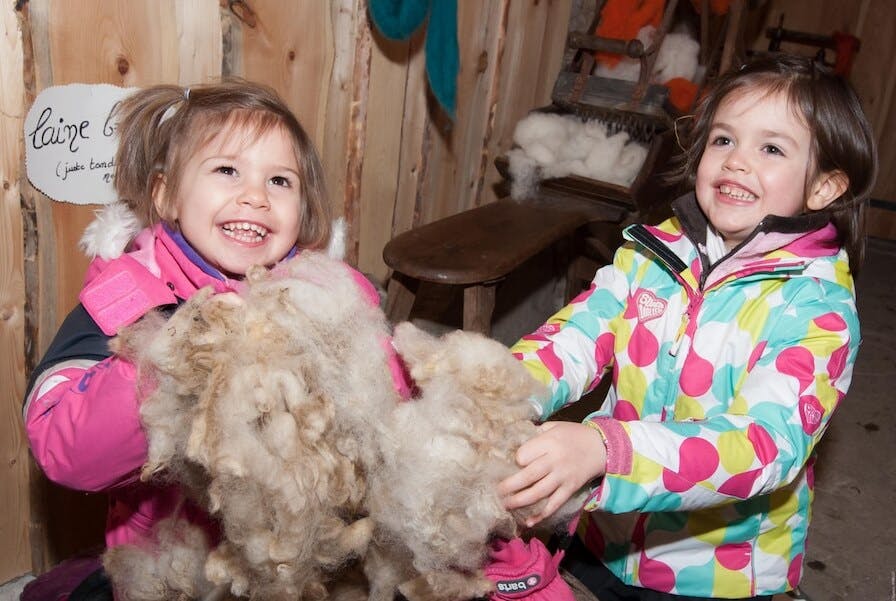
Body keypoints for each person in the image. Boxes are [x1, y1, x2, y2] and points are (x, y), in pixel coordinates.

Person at [498, 54, 878, 601]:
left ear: (823, 188)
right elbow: (578, 334)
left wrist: (606, 450)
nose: (736, 161)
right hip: (605, 535)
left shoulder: (818, 310)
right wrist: (498, 390)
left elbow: (762, 444)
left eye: (771, 149)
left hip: (715, 574)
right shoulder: (653, 254)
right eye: (724, 139)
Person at [22, 79, 401, 599]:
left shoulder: (328, 296)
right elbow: (63, 450)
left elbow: (393, 408)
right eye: (227, 170)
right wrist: (171, 362)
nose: (256, 196)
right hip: (170, 562)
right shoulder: (130, 297)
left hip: (297, 558)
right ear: (166, 195)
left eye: (280, 180)